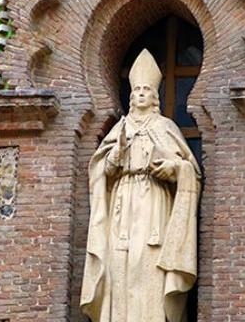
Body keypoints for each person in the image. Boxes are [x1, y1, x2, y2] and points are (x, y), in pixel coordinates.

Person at [80, 49, 201, 322]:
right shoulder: (119, 129)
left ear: (154, 96)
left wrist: (172, 169)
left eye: (147, 89)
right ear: (131, 95)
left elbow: (189, 171)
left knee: (148, 265)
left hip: (155, 203)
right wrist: (115, 154)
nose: (142, 93)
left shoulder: (166, 127)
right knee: (119, 265)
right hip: (123, 202)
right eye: (137, 90)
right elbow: (102, 172)